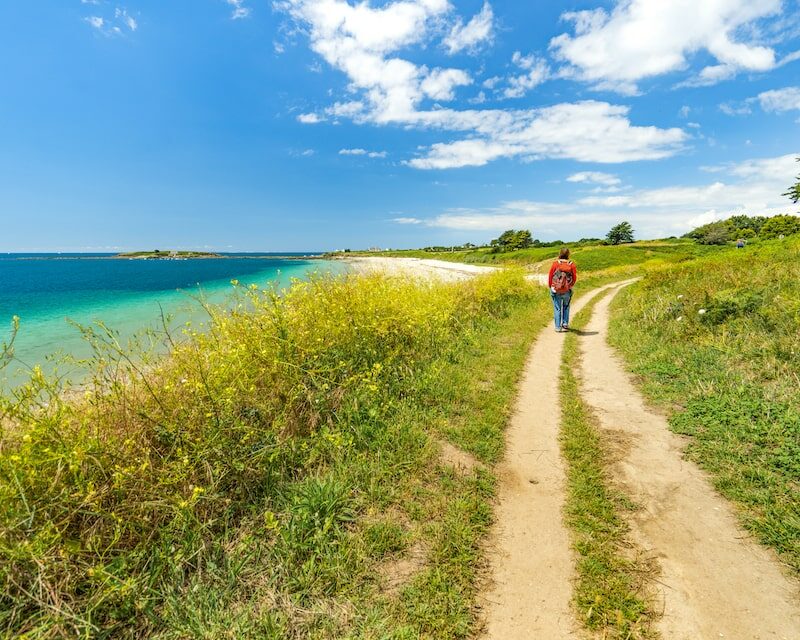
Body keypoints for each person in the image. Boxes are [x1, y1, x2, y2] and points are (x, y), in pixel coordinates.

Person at [548, 248, 577, 332]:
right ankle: (565, 324)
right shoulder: (571, 264)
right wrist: (570, 286)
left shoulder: (555, 264)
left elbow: (550, 276)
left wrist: (551, 286)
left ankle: (557, 327)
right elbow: (574, 277)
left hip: (556, 289)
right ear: (568, 254)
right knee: (566, 307)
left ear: (560, 253)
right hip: (567, 290)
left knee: (557, 308)